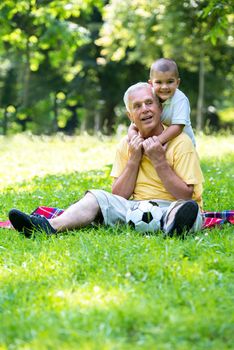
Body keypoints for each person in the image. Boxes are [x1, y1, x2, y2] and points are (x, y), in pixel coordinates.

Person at [8, 82, 204, 238]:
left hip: (173, 206)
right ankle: (47, 226)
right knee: (96, 197)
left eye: (149, 103)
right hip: (136, 209)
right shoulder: (126, 145)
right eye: (137, 106)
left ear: (160, 108)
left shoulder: (181, 143)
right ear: (130, 115)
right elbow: (119, 196)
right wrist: (134, 159)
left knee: (188, 210)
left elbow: (186, 196)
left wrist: (159, 162)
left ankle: (173, 226)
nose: (144, 109)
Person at [128, 58, 196, 146]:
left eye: (170, 82)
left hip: (181, 143)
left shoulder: (180, 99)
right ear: (151, 84)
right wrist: (134, 139)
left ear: (177, 83)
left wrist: (157, 141)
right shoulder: (150, 97)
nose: (164, 87)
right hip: (161, 141)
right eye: (159, 82)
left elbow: (177, 127)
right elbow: (133, 125)